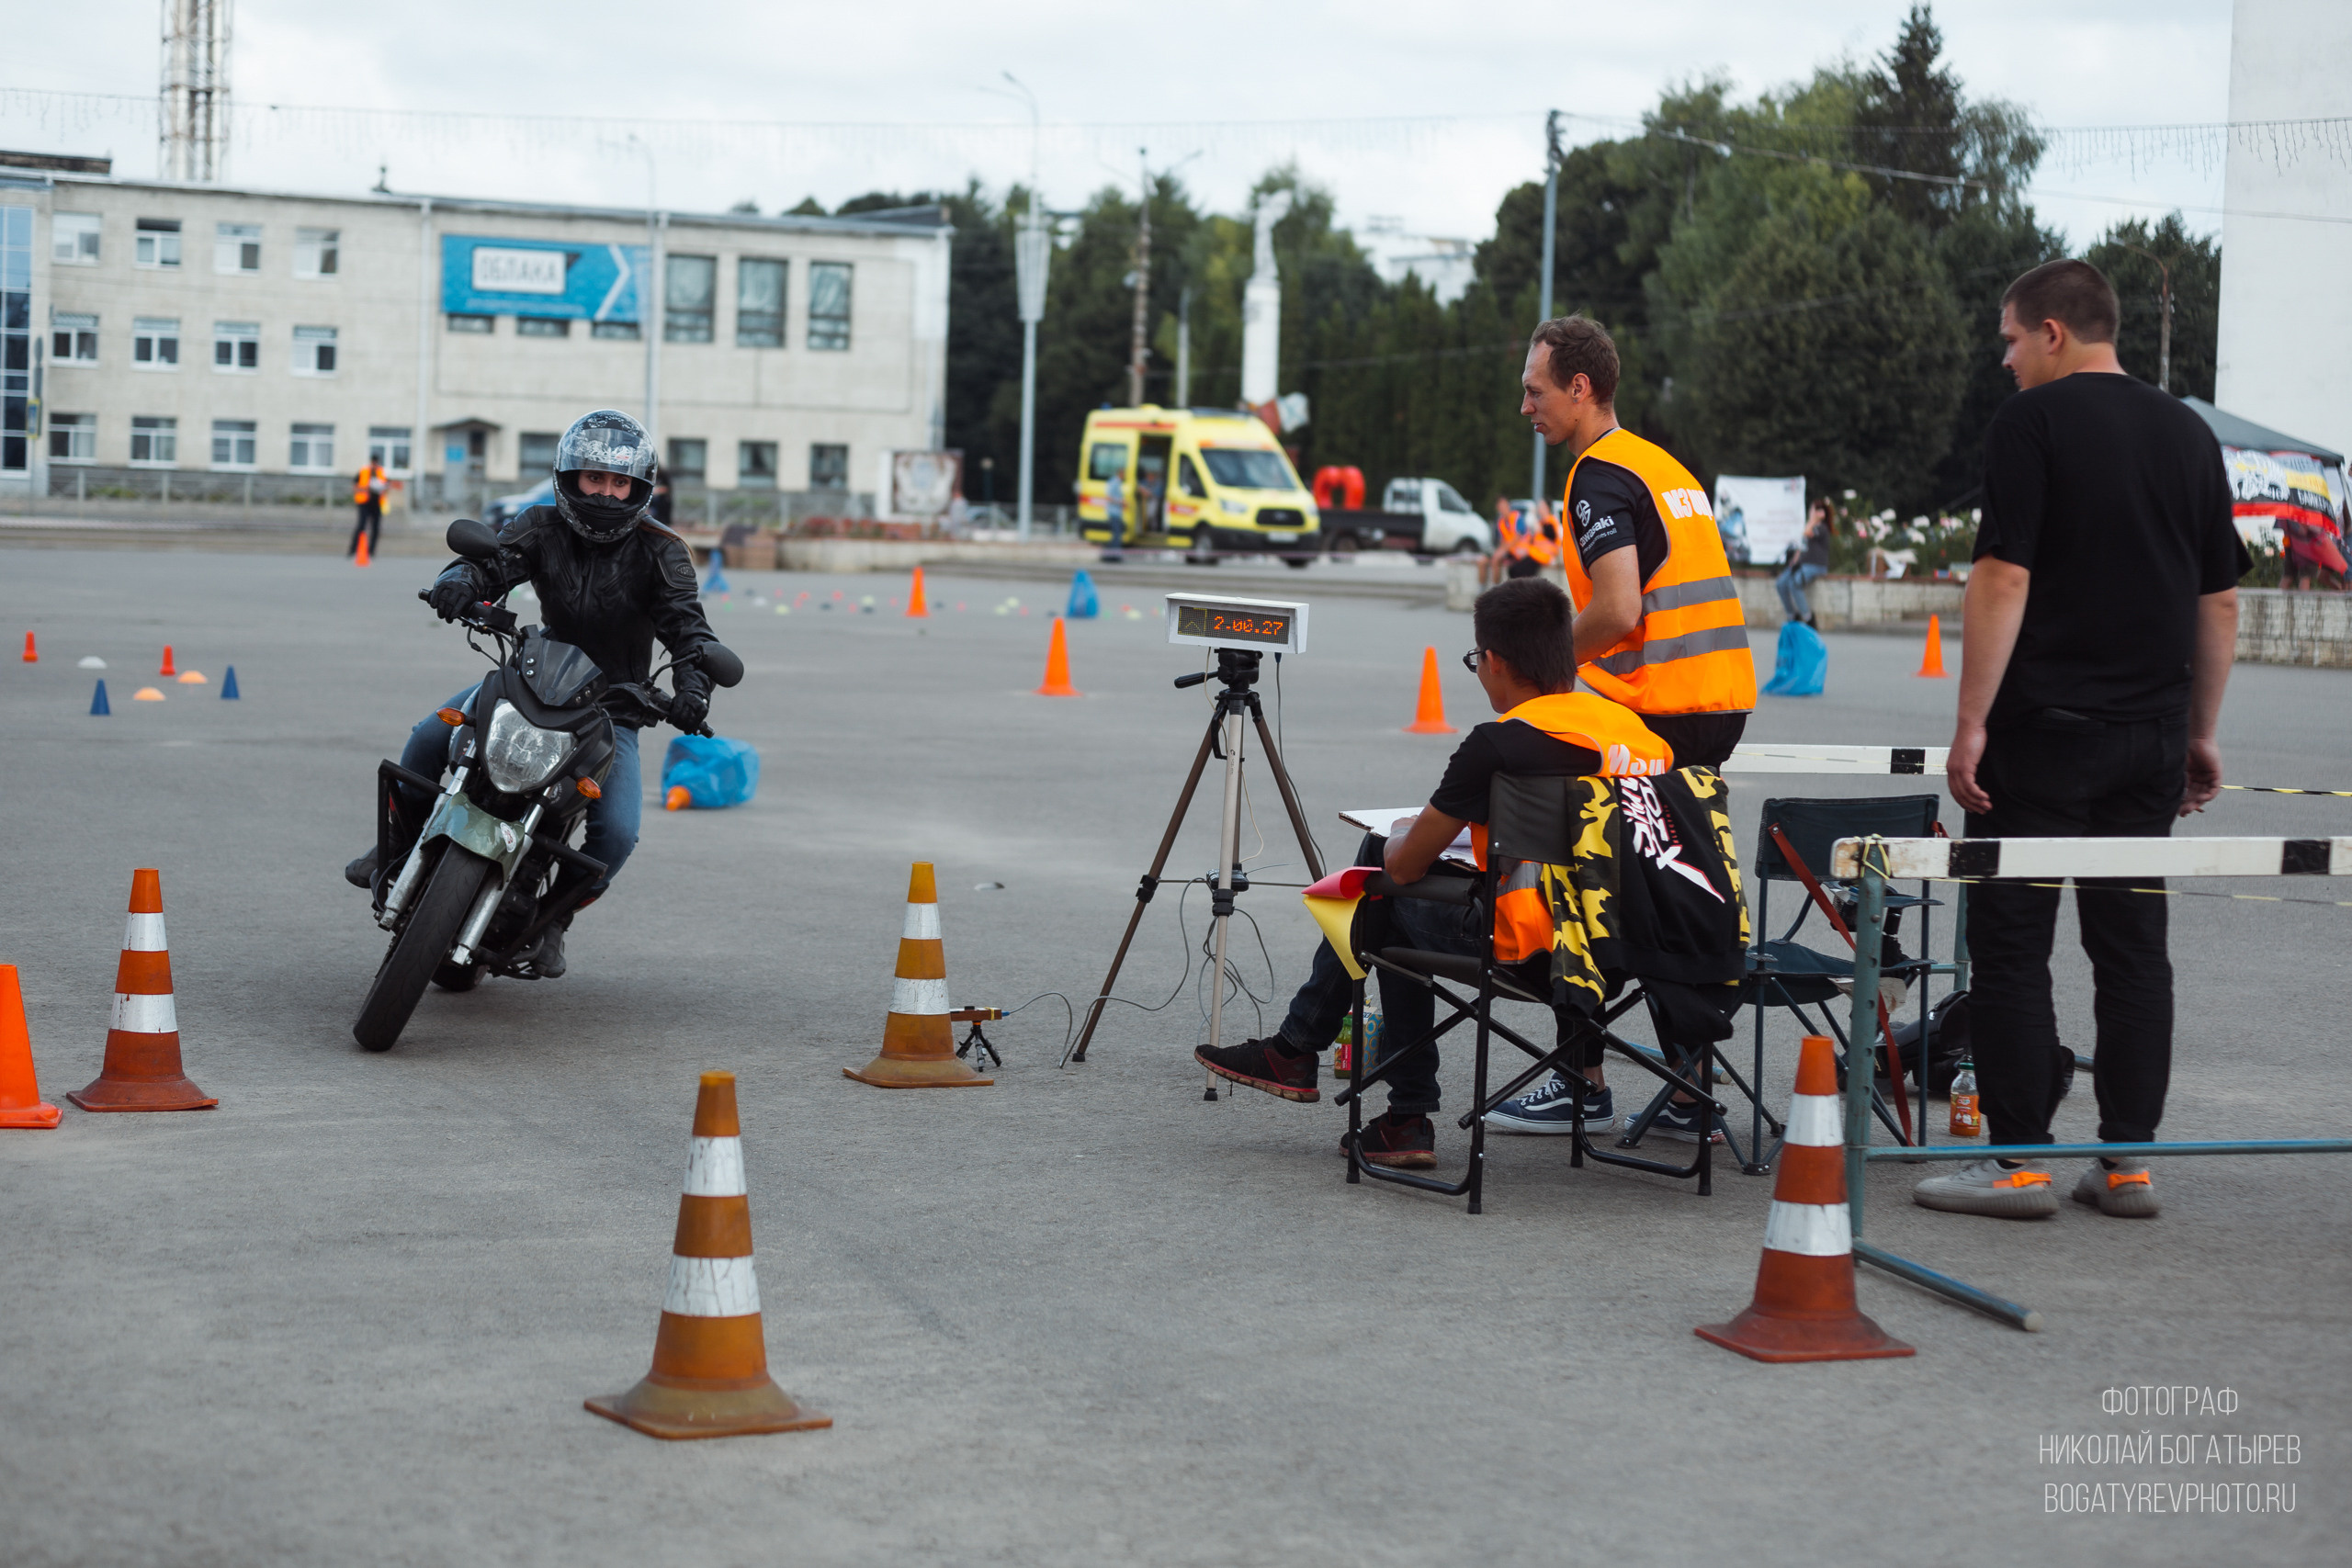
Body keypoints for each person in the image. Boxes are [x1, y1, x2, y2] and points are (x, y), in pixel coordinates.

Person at [1916, 259, 2246, 1222]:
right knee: (2133, 948)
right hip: (2150, 738)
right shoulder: (2187, 431)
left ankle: (2018, 1163)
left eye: (2011, 338)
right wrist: (2202, 733)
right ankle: (2127, 1163)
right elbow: (2218, 598)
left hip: (2045, 733)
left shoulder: (2032, 423)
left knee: (2012, 945)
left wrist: (1970, 720)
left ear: (2054, 332)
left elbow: (2002, 578)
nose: (2007, 359)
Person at [1194, 577, 1674, 1167]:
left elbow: (1408, 862)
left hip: (1533, 947)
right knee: (1392, 894)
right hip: (1630, 947)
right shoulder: (1644, 739)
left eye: (1476, 661)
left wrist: (1399, 836)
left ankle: (1377, 1097)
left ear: (1494, 661)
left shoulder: (1501, 745)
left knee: (1380, 885)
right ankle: (1337, 1077)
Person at [1489, 313, 1757, 1136]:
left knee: (1575, 869)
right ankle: (1689, 1089)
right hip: (1718, 704)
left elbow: (1616, 607)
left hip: (1658, 710)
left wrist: (1543, 677)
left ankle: (1582, 1075)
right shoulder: (1661, 463)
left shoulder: (1598, 476)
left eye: (1535, 391)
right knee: (1671, 885)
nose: (1525, 407)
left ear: (1580, 388)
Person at [344, 409, 720, 979]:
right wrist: (459, 584)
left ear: (639, 489)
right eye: (595, 479)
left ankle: (551, 923)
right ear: (569, 478)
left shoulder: (662, 550)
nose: (606, 493)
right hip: (532, 675)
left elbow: (690, 630)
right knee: (426, 739)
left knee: (617, 833)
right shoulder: (541, 524)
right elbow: (492, 561)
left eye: (620, 483)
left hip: (612, 707)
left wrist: (692, 687)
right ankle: (396, 848)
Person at [1776, 498, 1834, 625]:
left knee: (1795, 583)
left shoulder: (1821, 528)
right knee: (1781, 583)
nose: (1814, 512)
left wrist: (1813, 520)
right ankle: (1792, 615)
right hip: (1802, 563)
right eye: (1814, 509)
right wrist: (1794, 561)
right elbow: (1801, 546)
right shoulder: (1811, 525)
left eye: (1818, 510)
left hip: (1816, 565)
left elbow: (1807, 533)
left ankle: (1808, 618)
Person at [350, 457, 389, 558]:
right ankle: (353, 550)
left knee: (376, 528)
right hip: (364, 503)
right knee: (361, 526)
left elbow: (386, 486)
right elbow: (355, 486)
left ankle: (371, 551)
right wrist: (364, 489)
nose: (375, 465)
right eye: (373, 463)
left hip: (376, 503)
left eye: (376, 464)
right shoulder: (364, 471)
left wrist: (383, 489)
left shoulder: (381, 472)